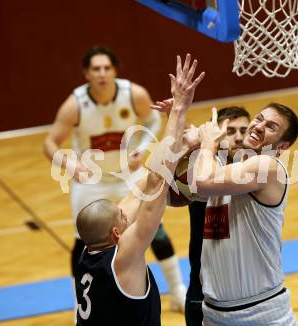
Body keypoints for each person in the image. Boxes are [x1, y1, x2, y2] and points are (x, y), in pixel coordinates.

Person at [43, 46, 187, 311]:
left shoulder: (133, 94)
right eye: (95, 69)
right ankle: (81, 304)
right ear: (86, 74)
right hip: (91, 180)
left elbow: (154, 121)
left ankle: (178, 290)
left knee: (155, 230)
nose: (102, 74)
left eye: (106, 68)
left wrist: (142, 148)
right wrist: (69, 163)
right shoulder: (75, 104)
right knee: (83, 240)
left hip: (127, 176)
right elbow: (50, 144)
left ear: (114, 70)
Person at [73, 54, 205, 325]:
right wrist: (179, 107)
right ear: (116, 234)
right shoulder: (124, 258)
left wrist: (179, 142)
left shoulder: (89, 253)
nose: (126, 213)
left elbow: (145, 182)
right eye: (122, 217)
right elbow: (157, 182)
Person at [194, 103, 298, 325]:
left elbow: (202, 182)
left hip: (260, 314)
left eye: (271, 126)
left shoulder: (267, 166)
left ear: (281, 145)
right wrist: (177, 114)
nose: (259, 126)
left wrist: (206, 144)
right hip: (214, 314)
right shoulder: (226, 166)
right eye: (259, 118)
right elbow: (185, 188)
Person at [185, 107, 251, 326]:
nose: (239, 137)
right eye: (230, 131)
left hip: (247, 288)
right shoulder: (203, 169)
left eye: (244, 130)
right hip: (204, 290)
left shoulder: (255, 170)